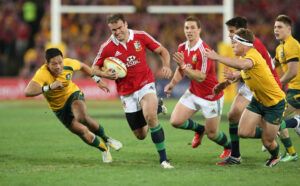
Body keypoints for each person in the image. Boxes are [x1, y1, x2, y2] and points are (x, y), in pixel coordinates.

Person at [92, 14, 173, 169]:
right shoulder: (107, 47)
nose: (117, 32)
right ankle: (157, 106)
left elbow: (162, 51)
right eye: (113, 30)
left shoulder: (141, 36)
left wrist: (167, 65)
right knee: (141, 135)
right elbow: (93, 68)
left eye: (119, 28)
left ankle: (163, 159)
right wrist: (105, 74)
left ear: (126, 24)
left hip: (145, 84)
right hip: (126, 92)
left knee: (151, 117)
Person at [214, 16, 297, 165]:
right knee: (237, 120)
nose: (229, 36)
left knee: (267, 136)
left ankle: (283, 142)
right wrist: (227, 82)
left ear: (241, 32)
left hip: (269, 90)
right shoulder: (254, 48)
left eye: (232, 32)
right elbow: (245, 70)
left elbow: (246, 65)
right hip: (256, 87)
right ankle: (237, 154)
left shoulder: (253, 47)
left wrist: (216, 57)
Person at [24, 48, 122, 163]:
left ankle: (107, 139)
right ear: (47, 64)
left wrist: (97, 80)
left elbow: (83, 66)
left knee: (81, 117)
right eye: (54, 64)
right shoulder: (42, 73)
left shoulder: (69, 63)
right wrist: (49, 87)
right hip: (58, 108)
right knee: (81, 131)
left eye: (60, 62)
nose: (58, 66)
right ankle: (104, 149)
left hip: (72, 94)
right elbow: (28, 91)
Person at [164, 16, 231, 162]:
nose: (189, 31)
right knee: (175, 121)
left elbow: (200, 77)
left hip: (211, 97)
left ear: (199, 30)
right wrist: (172, 84)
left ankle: (229, 147)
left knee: (212, 134)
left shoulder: (204, 51)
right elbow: (181, 71)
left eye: (192, 27)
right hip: (194, 93)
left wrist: (182, 66)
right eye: (186, 27)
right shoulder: (182, 47)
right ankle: (199, 129)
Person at [273, 15, 300, 161]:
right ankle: (291, 152)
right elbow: (272, 65)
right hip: (293, 89)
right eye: (275, 27)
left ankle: (291, 153)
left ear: (289, 29)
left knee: (275, 119)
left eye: (280, 27)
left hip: (297, 90)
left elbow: (293, 71)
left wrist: (277, 83)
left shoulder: (292, 45)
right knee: (275, 119)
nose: (276, 30)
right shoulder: (280, 48)